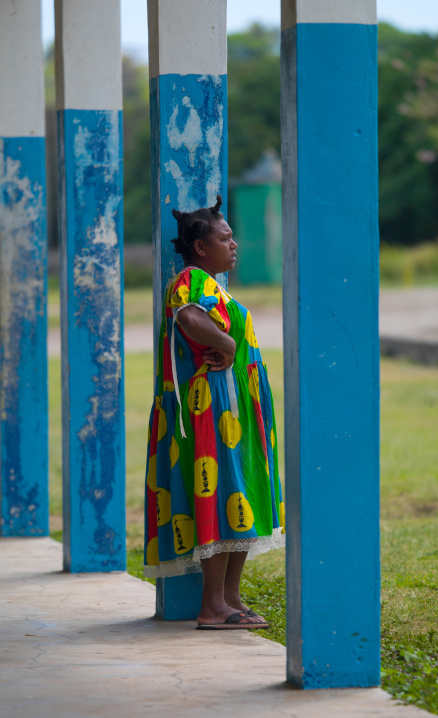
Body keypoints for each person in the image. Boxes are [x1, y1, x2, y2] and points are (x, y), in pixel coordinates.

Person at [143, 195, 285, 629]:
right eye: (225, 238)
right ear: (201, 247)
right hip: (212, 407)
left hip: (236, 406)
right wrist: (226, 344)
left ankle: (229, 600)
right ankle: (211, 607)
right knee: (221, 497)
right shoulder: (191, 280)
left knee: (242, 496)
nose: (234, 244)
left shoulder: (214, 284)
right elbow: (188, 318)